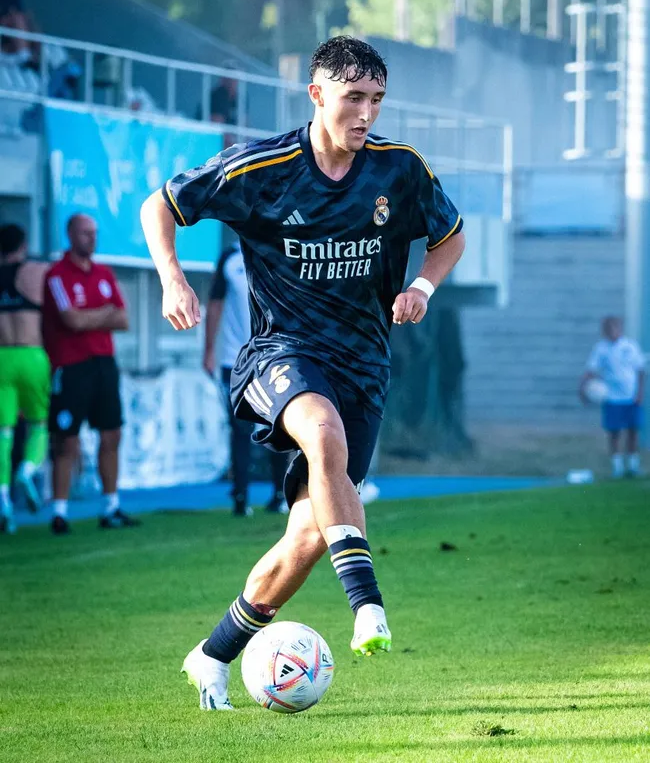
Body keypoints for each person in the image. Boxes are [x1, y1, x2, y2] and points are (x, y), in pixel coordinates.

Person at [140, 36, 465, 710]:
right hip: (279, 352)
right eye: (353, 98)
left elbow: (451, 235)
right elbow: (160, 207)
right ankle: (367, 605)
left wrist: (422, 289)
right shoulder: (264, 168)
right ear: (316, 94)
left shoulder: (399, 170)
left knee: (308, 537)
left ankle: (211, 654)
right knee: (322, 436)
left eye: (376, 99)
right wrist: (173, 280)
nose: (366, 113)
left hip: (365, 365)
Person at [42, 214, 140, 534]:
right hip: (71, 367)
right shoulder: (57, 275)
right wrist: (104, 314)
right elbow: (71, 320)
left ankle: (111, 506)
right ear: (70, 234)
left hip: (104, 363)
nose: (91, 238)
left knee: (112, 434)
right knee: (66, 441)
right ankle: (59, 512)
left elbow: (123, 319)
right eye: (85, 233)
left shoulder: (103, 273)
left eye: (94, 233)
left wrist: (92, 318)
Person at [203, 240, 288, 516]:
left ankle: (280, 493)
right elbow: (214, 305)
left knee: (278, 426)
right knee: (239, 428)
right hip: (235, 359)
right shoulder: (229, 259)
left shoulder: (278, 248)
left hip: (273, 357)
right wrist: (208, 350)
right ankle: (240, 496)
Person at [0, 223, 50, 534]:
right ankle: (28, 469)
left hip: (2, 356)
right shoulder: (36, 271)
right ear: (23, 244)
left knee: (3, 432)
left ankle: (4, 500)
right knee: (38, 425)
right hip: (31, 354)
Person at [580, 316, 645, 479]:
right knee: (614, 433)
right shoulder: (601, 349)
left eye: (614, 327)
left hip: (631, 397)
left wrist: (640, 393)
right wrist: (582, 388)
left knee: (633, 432)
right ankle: (617, 468)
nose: (612, 331)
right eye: (608, 329)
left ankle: (633, 466)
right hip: (612, 398)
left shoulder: (630, 346)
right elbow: (591, 370)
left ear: (620, 328)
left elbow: (640, 370)